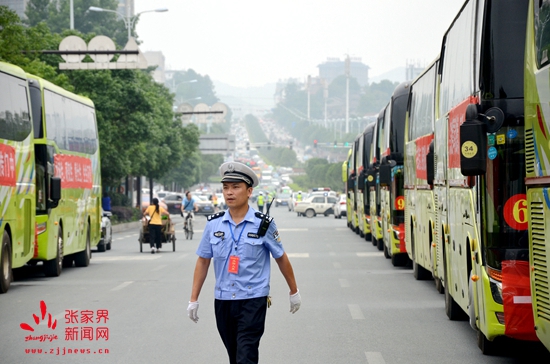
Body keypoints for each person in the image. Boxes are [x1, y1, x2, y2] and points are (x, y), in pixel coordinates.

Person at [188, 161, 301, 364]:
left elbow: (280, 257)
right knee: (235, 355)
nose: (229, 192)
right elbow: (203, 260)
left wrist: (294, 291)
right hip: (223, 301)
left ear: (249, 191)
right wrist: (193, 299)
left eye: (236, 187)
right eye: (226, 187)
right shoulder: (214, 224)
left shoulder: (263, 224)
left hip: (253, 299)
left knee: (246, 354)